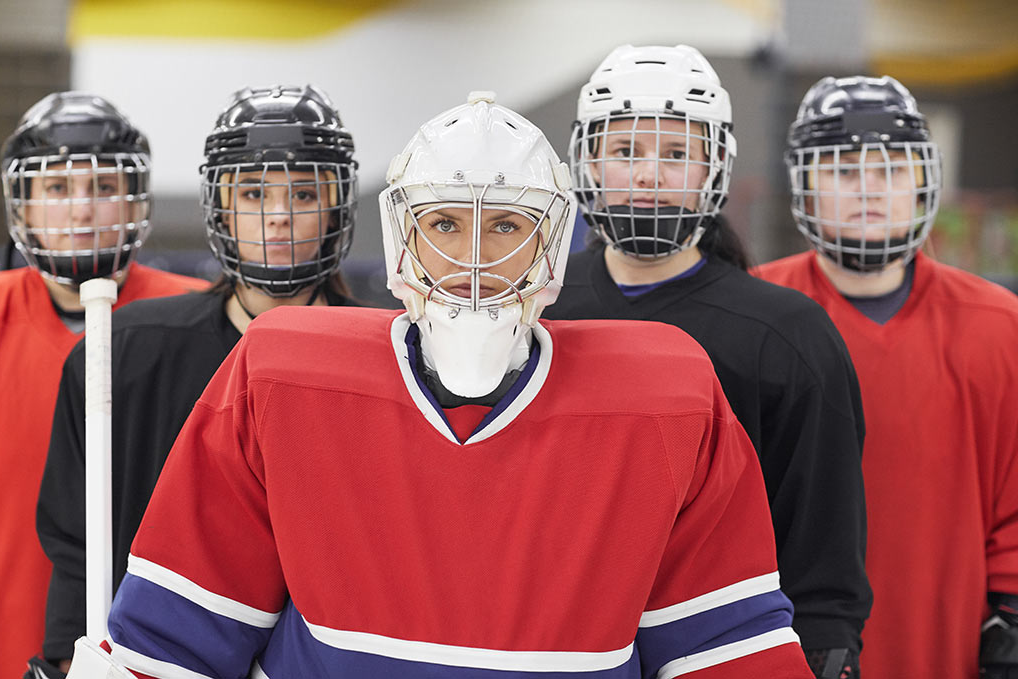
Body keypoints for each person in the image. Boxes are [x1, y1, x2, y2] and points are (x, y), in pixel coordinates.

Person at [63, 92, 813, 679]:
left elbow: (725, 649)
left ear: (550, 245)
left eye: (507, 226)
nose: (475, 260)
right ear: (403, 237)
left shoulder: (667, 398)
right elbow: (175, 643)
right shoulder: (281, 376)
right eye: (446, 224)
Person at [543, 45, 871, 678]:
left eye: (674, 154)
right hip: (564, 642)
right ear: (587, 161)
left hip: (723, 645)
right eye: (625, 152)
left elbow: (821, 540)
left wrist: (827, 648)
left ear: (713, 166)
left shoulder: (787, 333)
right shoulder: (539, 302)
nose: (648, 175)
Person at [30, 84, 361, 677]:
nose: (279, 215)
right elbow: (75, 540)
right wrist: (63, 658)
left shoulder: (386, 362)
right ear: (221, 207)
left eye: (305, 192)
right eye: (255, 192)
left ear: (339, 207)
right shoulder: (123, 350)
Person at [755, 75, 1018, 679]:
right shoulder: (751, 312)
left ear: (923, 181)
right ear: (805, 184)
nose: (868, 190)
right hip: (786, 647)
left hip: (944, 647)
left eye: (892, 170)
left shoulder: (997, 325)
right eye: (843, 170)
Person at [0, 92, 207, 679]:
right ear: (24, 205)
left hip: (143, 650)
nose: (82, 211)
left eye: (105, 189)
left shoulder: (197, 317)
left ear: (135, 200)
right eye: (57, 189)